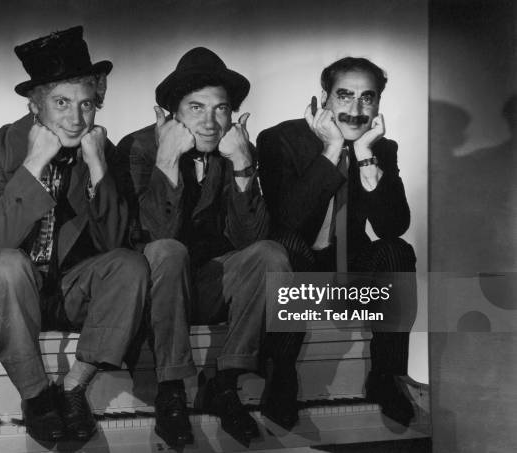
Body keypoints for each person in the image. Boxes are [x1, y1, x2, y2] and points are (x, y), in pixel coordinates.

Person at [0, 26, 150, 443]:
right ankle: (36, 396)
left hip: (60, 290)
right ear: (36, 105)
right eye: (62, 103)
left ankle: (72, 389)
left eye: (87, 104)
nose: (76, 118)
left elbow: (113, 245)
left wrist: (99, 168)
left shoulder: (98, 149)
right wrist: (34, 163)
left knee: (131, 264)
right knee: (8, 264)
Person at [117, 47, 292, 446]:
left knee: (272, 254)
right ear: (171, 114)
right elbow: (150, 236)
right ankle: (171, 389)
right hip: (153, 290)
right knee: (168, 250)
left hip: (207, 288)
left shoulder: (235, 148)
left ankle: (225, 383)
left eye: (221, 109)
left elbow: (251, 240)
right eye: (196, 108)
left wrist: (245, 164)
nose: (211, 122)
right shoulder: (138, 149)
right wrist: (166, 160)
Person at [257, 57, 418, 427]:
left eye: (367, 98)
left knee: (396, 250)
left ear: (378, 103)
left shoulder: (381, 147)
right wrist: (331, 151)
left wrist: (364, 159)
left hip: (347, 273)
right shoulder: (279, 139)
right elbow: (288, 219)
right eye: (344, 96)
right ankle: (281, 374)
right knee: (286, 243)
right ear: (324, 99)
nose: (356, 109)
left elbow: (394, 226)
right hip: (295, 271)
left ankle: (385, 376)